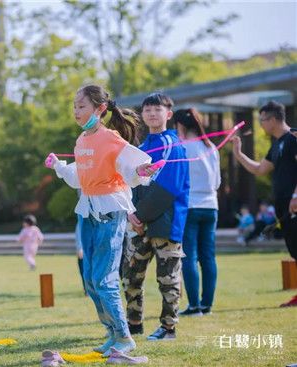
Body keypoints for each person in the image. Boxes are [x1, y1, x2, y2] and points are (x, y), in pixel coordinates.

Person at [46, 84, 159, 357]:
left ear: (100, 109)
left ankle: (124, 337)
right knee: (90, 279)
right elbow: (79, 176)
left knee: (104, 279)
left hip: (111, 213)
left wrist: (142, 170)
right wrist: (59, 167)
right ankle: (111, 333)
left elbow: (133, 166)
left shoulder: (112, 139)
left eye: (81, 106)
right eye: (74, 106)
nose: (76, 111)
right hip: (88, 213)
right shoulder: (82, 140)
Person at [122, 93, 190, 341]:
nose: (151, 113)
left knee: (168, 279)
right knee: (130, 277)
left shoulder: (174, 145)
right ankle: (134, 323)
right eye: (147, 109)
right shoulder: (140, 148)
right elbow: (132, 184)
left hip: (166, 223)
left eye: (157, 109)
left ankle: (168, 328)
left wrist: (139, 216)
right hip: (139, 224)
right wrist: (131, 214)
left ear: (168, 114)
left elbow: (169, 187)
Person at [232, 101, 297, 307]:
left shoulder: (293, 138)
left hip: (294, 202)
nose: (261, 125)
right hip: (283, 204)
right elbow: (260, 169)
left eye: (263, 120)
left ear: (274, 119)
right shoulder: (276, 143)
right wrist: (239, 154)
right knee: (294, 249)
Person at [172, 108, 221, 316]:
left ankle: (194, 306)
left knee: (189, 257)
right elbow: (218, 181)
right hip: (211, 206)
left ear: (180, 126)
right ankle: (206, 304)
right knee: (208, 257)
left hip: (191, 205)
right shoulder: (211, 148)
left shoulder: (183, 148)